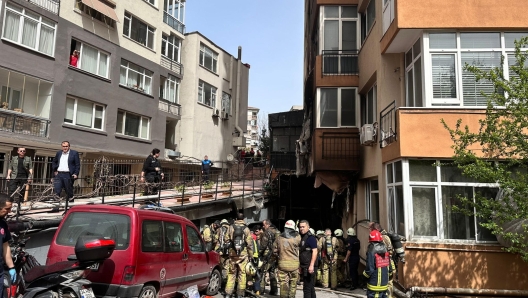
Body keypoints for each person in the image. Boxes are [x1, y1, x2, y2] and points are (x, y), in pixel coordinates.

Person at [224, 213, 254, 298]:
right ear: (243, 219)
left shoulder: (231, 227)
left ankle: (228, 293)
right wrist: (251, 256)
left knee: (231, 273)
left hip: (233, 254)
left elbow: (226, 239)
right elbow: (249, 244)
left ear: (236, 218)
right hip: (242, 255)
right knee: (242, 274)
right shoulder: (246, 229)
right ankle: (240, 294)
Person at [273, 220, 301, 298]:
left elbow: (274, 250)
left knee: (283, 283)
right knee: (293, 282)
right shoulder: (298, 237)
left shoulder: (279, 238)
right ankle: (291, 296)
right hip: (294, 264)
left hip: (282, 264)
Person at [363, 230, 394, 298]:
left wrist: (364, 276)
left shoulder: (371, 250)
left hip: (374, 285)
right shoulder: (385, 249)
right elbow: (390, 268)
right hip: (384, 284)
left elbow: (369, 269)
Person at [259, 219, 280, 295]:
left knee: (263, 272)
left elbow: (263, 245)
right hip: (275, 256)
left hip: (267, 256)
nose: (263, 227)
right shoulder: (277, 231)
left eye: (264, 225)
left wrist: (259, 254)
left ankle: (261, 290)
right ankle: (274, 290)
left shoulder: (267, 232)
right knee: (272, 272)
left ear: (267, 224)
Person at [373, 222, 394, 298]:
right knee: (389, 283)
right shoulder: (385, 236)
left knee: (387, 283)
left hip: (385, 263)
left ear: (376, 229)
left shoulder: (382, 238)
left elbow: (383, 253)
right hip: (389, 262)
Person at [0, 194, 15, 295]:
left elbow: (5, 247)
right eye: (7, 209)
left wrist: (11, 267)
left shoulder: (2, 224)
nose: (9, 212)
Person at [298, 220, 318, 298]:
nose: (301, 228)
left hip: (310, 266)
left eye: (303, 227)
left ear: (308, 227)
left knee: (306, 289)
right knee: (310, 287)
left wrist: (311, 265)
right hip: (304, 265)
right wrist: (300, 266)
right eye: (300, 227)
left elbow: (315, 251)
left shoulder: (311, 238)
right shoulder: (302, 237)